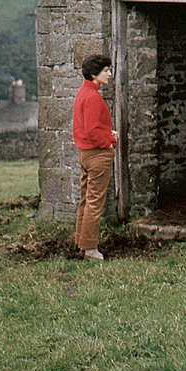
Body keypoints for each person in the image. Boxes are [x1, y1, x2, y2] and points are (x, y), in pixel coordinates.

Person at [72, 54, 118, 261]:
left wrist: (107, 134)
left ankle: (81, 243)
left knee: (86, 200)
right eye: (106, 70)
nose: (109, 73)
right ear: (94, 74)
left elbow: (88, 127)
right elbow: (92, 130)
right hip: (97, 155)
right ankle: (90, 249)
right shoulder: (92, 97)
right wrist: (109, 140)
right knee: (94, 202)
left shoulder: (83, 93)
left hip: (85, 154)